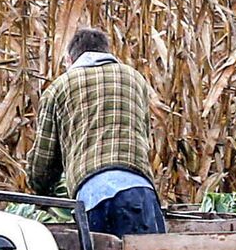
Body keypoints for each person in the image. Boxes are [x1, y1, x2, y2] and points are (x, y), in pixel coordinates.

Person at [27, 26, 166, 236]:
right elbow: (144, 137)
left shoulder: (59, 88)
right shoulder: (135, 80)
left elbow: (43, 162)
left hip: (92, 197)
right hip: (139, 192)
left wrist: (42, 192)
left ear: (69, 59)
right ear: (107, 52)